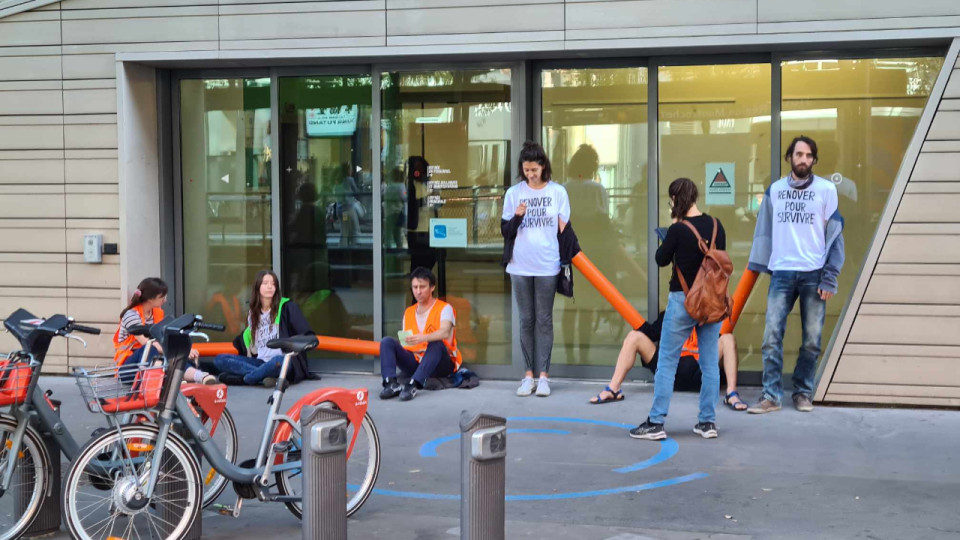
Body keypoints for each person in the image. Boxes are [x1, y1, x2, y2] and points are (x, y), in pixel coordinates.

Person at [747, 135, 845, 414]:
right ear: (789, 157)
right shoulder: (775, 190)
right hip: (782, 272)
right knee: (771, 337)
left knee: (812, 340)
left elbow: (836, 235)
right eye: (799, 154)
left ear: (814, 160)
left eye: (809, 155)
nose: (803, 159)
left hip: (814, 272)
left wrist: (829, 277)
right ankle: (771, 396)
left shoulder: (826, 189)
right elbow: (763, 231)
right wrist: (762, 265)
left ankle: (802, 392)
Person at [631, 177, 726, 441]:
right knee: (709, 364)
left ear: (675, 200)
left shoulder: (678, 229)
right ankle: (707, 422)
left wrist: (672, 231)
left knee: (667, 362)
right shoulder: (717, 225)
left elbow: (660, 259)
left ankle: (656, 422)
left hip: (683, 301)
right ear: (695, 197)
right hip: (711, 302)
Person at [501, 141, 570, 397]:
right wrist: (518, 216)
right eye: (526, 170)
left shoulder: (557, 192)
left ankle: (544, 377)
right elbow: (505, 231)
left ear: (543, 167)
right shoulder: (513, 193)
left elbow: (565, 231)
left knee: (544, 320)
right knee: (526, 320)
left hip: (547, 264)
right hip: (519, 265)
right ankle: (528, 376)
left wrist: (567, 261)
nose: (530, 174)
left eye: (534, 170)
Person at [588, 311, 746, 411]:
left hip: (700, 371)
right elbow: (650, 333)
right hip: (669, 371)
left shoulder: (711, 316)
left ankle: (731, 393)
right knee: (634, 337)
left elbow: (720, 344)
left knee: (728, 339)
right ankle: (613, 389)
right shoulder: (670, 315)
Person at [214, 270, 315, 387]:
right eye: (265, 283)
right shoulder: (253, 313)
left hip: (283, 362)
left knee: (277, 361)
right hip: (261, 362)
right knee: (220, 359)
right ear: (257, 287)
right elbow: (245, 339)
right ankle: (265, 378)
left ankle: (246, 379)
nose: (270, 286)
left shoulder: (287, 307)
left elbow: (307, 335)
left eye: (273, 284)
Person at [379, 267, 460, 402]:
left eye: (422, 287)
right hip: (416, 361)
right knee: (387, 342)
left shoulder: (445, 308)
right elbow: (406, 344)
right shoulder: (409, 312)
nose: (418, 291)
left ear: (432, 287)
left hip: (440, 364)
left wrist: (423, 338)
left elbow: (445, 332)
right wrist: (406, 343)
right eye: (415, 287)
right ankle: (390, 384)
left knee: (436, 344)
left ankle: (413, 385)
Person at [114, 277, 214, 385]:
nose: (165, 300)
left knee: (175, 357)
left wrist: (182, 351)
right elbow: (146, 343)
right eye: (162, 297)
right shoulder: (131, 315)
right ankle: (165, 377)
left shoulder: (157, 313)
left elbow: (164, 339)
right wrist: (179, 351)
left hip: (148, 362)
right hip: (128, 368)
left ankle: (199, 376)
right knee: (150, 348)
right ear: (151, 298)